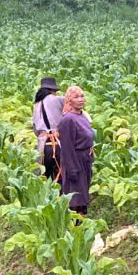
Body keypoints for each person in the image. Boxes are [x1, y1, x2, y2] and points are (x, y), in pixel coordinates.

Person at [56, 86, 95, 214]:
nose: (80, 99)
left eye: (82, 96)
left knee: (83, 193)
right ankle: (75, 226)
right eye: (76, 97)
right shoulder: (68, 120)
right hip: (75, 161)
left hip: (85, 159)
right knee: (76, 197)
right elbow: (67, 148)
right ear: (69, 101)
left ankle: (81, 224)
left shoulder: (82, 116)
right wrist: (73, 169)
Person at [32, 77, 64, 182]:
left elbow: (35, 129)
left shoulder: (36, 105)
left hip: (42, 147)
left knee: (44, 179)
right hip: (57, 145)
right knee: (59, 179)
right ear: (53, 90)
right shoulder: (58, 100)